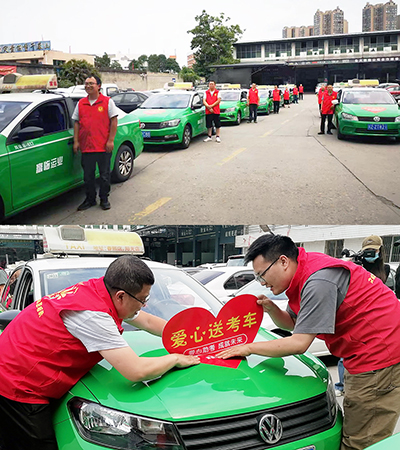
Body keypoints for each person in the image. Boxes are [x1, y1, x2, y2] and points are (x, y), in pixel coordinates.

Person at [217, 234, 400, 450]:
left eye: (262, 275)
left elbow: (299, 343)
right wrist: (271, 308)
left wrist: (247, 348)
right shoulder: (301, 272)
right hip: (365, 353)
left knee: (362, 441)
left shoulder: (318, 282)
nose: (262, 282)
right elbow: (294, 323)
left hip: (380, 359)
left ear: (283, 261)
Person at [0, 255, 199, 450]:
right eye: (142, 300)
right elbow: (136, 371)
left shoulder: (102, 290)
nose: (144, 305)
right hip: (17, 382)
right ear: (121, 295)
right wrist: (175, 358)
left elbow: (146, 321)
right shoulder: (93, 316)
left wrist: (193, 338)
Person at [335, 235, 389, 397]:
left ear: (380, 251)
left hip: (377, 316)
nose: (369, 256)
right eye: (366, 252)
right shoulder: (357, 266)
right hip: (356, 315)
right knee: (347, 353)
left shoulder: (384, 269)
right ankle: (341, 384)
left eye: (373, 252)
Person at [72, 75, 119, 211]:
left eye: (91, 83)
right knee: (88, 176)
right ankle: (90, 199)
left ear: (99, 86)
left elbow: (114, 121)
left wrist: (110, 140)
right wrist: (76, 141)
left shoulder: (107, 102)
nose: (88, 86)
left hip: (103, 146)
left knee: (104, 175)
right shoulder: (81, 103)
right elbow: (76, 123)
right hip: (86, 147)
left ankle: (104, 199)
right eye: (86, 83)